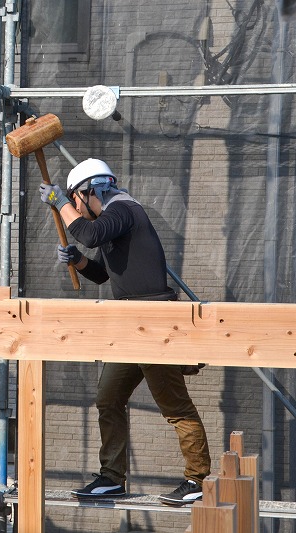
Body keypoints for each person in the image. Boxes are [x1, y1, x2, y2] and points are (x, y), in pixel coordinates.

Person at [39, 158, 211, 506]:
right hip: (132, 324)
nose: (74, 207)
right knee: (108, 398)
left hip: (155, 323)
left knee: (175, 407)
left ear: (91, 191)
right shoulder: (113, 220)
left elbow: (88, 233)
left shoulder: (124, 208)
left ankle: (197, 479)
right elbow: (105, 275)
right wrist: (79, 261)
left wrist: (58, 202)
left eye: (75, 199)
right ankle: (112, 477)